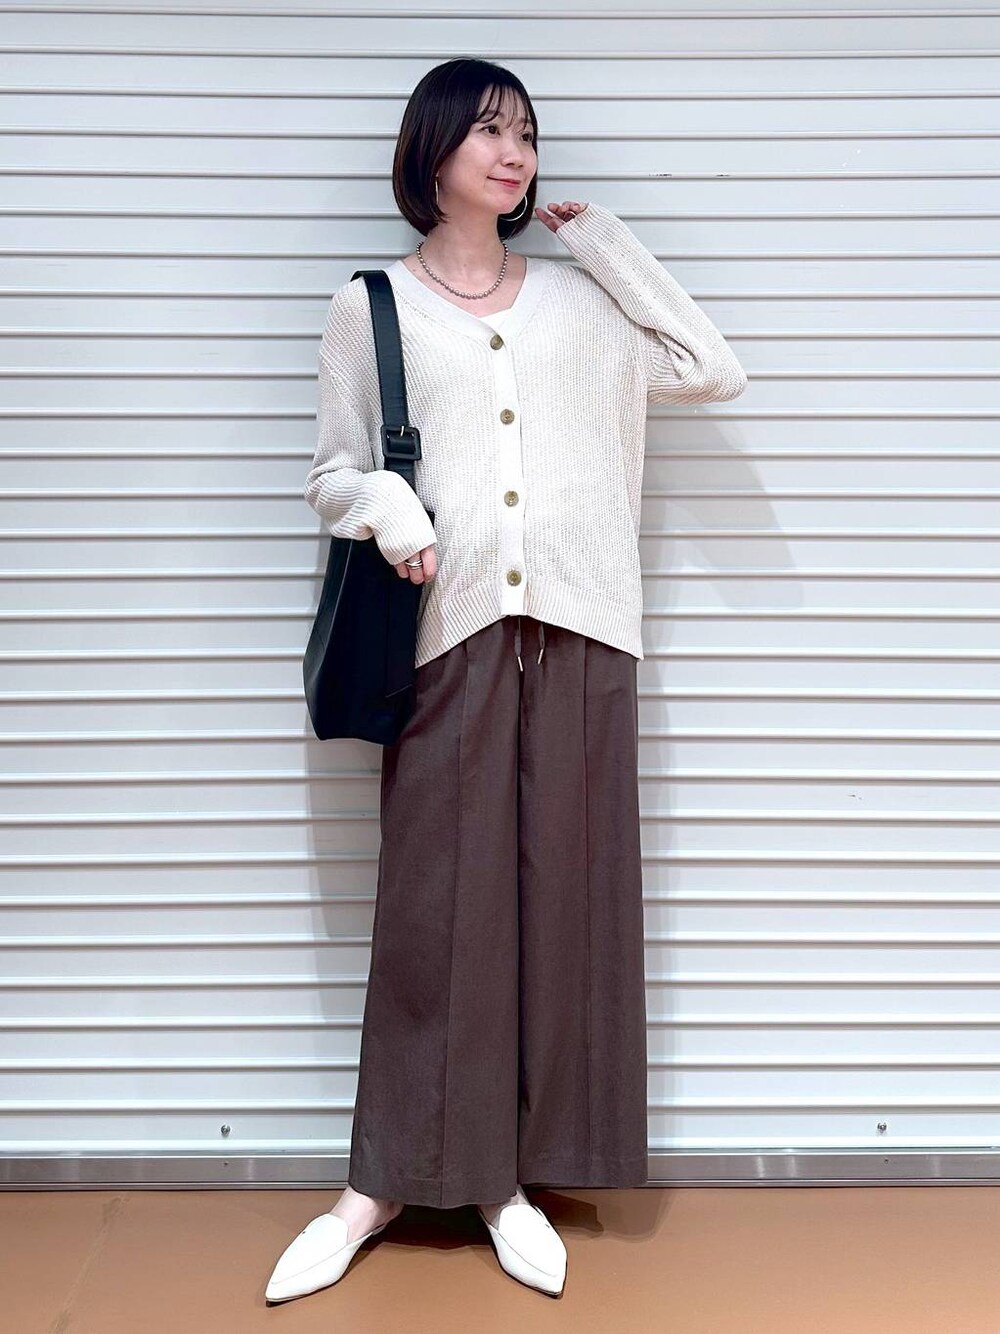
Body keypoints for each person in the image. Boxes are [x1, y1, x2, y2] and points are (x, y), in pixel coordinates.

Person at [266, 56, 748, 1305]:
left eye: (526, 131)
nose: (513, 150)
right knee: (437, 914)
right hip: (451, 631)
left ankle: (510, 1178)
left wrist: (607, 243)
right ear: (430, 150)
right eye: (486, 128)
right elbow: (331, 473)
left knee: (568, 908)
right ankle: (377, 1182)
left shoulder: (584, 306)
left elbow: (708, 366)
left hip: (582, 628)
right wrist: (387, 503)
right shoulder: (372, 305)